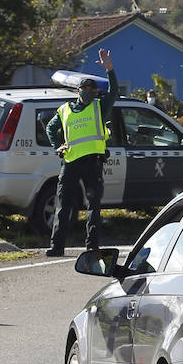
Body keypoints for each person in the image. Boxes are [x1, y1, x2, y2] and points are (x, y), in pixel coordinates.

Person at [45, 48, 118, 256]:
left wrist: (109, 70)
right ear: (78, 91)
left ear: (95, 93)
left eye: (92, 90)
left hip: (93, 163)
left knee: (93, 207)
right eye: (84, 88)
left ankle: (92, 246)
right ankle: (57, 247)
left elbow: (113, 92)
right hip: (70, 163)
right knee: (64, 206)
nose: (88, 91)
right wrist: (57, 144)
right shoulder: (65, 109)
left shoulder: (99, 107)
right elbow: (51, 128)